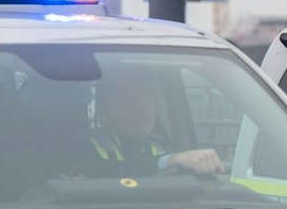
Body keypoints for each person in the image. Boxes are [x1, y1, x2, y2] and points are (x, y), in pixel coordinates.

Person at [85, 68, 226, 176]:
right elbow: (103, 173)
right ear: (101, 107)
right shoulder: (85, 146)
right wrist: (170, 160)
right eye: (124, 97)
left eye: (143, 94)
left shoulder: (161, 144)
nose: (137, 105)